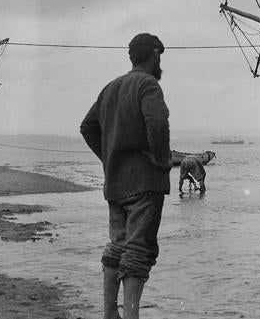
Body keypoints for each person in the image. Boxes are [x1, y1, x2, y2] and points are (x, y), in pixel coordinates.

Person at [80, 32, 172, 319]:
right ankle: (131, 316)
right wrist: (160, 159)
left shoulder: (111, 88)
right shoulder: (148, 84)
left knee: (117, 246)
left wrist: (111, 158)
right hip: (145, 182)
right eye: (160, 57)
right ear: (154, 54)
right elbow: (157, 124)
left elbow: (88, 128)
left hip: (116, 183)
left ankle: (110, 313)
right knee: (138, 251)